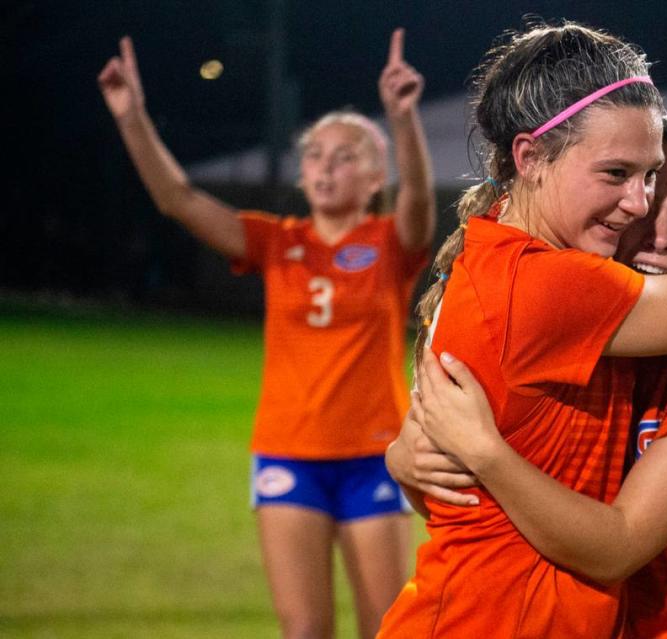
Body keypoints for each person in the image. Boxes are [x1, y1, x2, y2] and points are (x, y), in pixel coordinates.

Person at [375, 22, 667, 639]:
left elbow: (454, 497)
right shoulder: (553, 287)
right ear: (531, 157)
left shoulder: (513, 265)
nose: (643, 207)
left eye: (651, 178)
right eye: (617, 173)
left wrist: (423, 459)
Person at [98, 29, 435, 639]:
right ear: (302, 176)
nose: (326, 166)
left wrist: (402, 119)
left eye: (345, 155)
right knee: (304, 630)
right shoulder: (277, 242)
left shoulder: (388, 244)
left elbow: (416, 201)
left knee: (388, 627)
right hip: (288, 455)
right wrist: (132, 118)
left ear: (372, 174)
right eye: (315, 155)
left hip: (375, 456)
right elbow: (177, 198)